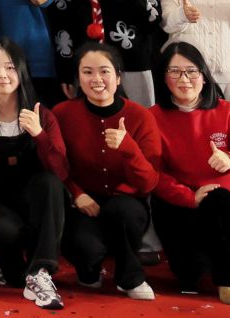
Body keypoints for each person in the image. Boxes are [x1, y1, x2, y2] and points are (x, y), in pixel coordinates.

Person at [150, 41, 230, 304]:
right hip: (179, 202)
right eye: (174, 72)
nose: (184, 79)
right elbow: (153, 174)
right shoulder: (152, 117)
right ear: (163, 78)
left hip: (223, 205)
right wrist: (188, 197)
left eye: (192, 71)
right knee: (189, 274)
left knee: (220, 199)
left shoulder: (228, 112)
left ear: (204, 76)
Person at [51, 44, 162, 299]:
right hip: (83, 202)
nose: (97, 79)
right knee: (83, 246)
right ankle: (88, 271)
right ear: (78, 78)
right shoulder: (63, 113)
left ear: (118, 77)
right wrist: (76, 194)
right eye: (87, 72)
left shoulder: (140, 116)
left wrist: (129, 149)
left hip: (125, 201)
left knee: (123, 212)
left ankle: (130, 277)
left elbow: (149, 182)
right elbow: (54, 164)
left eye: (104, 71)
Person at [0, 39, 66, 308]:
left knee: (50, 183)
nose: (2, 75)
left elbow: (61, 171)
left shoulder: (41, 114)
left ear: (22, 70)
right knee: (12, 266)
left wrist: (39, 135)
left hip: (31, 200)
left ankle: (41, 271)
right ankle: (8, 262)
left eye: (10, 67)